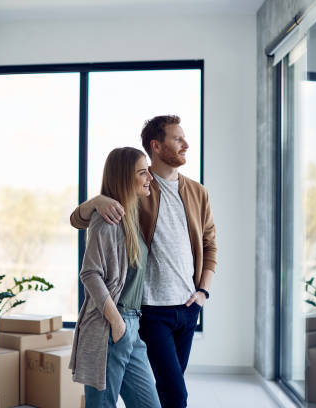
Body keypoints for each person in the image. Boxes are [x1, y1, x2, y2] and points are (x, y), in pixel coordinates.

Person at [70, 115, 217, 408]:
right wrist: (96, 201)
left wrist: (202, 293)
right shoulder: (139, 192)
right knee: (174, 394)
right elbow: (80, 222)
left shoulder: (197, 192)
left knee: (166, 391)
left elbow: (210, 245)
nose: (186, 144)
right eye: (178, 139)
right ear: (157, 146)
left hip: (185, 309)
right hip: (145, 311)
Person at [68, 147, 161, 408]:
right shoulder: (107, 218)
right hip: (111, 325)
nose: (149, 178)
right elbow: (89, 273)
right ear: (124, 178)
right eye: (143, 173)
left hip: (132, 326)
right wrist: (117, 323)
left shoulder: (131, 214)